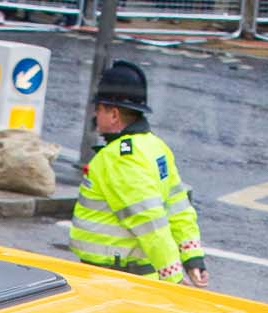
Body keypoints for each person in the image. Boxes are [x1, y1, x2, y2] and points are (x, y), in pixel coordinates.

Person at [70, 61, 209, 288]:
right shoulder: (155, 146)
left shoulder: (118, 158)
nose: (95, 113)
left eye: (99, 108)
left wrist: (172, 278)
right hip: (137, 276)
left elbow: (149, 222)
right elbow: (178, 207)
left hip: (114, 281)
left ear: (114, 114)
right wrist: (192, 257)